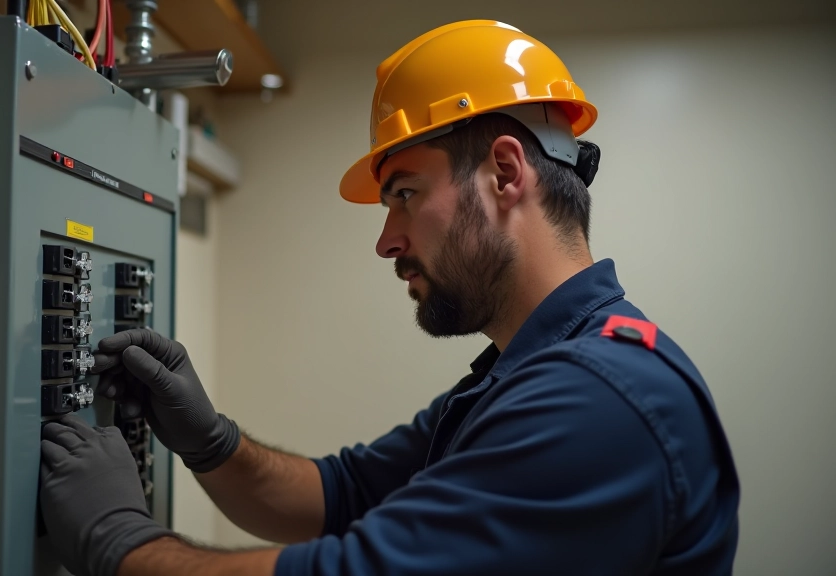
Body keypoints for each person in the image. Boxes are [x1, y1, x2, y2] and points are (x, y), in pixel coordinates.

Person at [38, 19, 740, 576]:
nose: (386, 241)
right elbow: (342, 496)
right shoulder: (523, 374)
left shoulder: (596, 404)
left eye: (405, 194)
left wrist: (115, 542)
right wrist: (209, 440)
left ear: (504, 172)